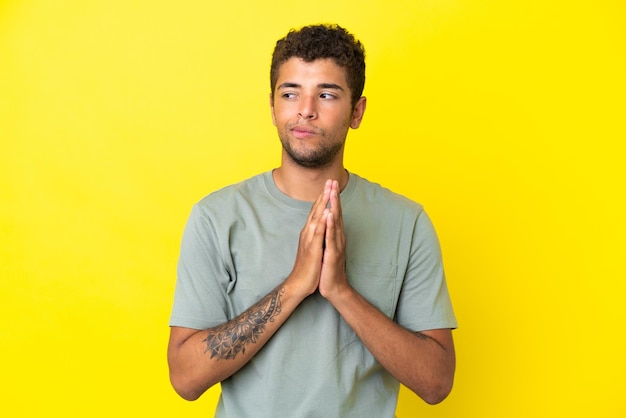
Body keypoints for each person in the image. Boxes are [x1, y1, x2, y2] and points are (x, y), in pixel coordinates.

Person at [167, 23, 457, 417]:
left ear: (357, 111)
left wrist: (340, 291)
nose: (306, 109)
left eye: (326, 94)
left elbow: (437, 383)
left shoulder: (408, 223)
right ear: (272, 107)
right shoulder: (216, 218)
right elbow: (185, 379)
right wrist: (295, 286)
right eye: (291, 93)